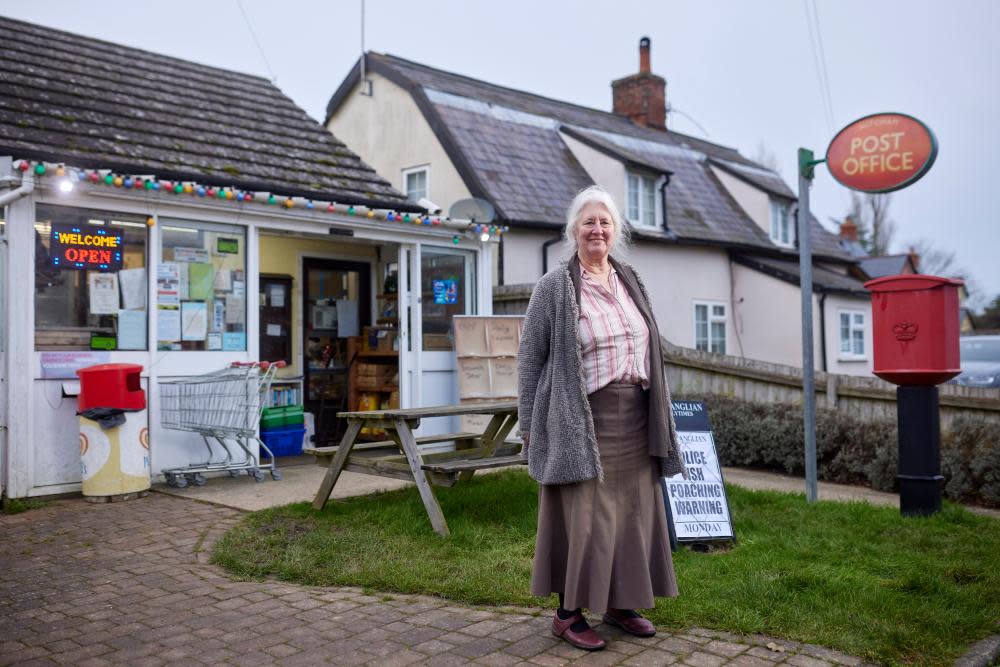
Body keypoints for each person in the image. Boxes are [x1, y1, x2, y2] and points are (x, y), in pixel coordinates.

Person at [517, 185, 685, 651]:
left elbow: (649, 342)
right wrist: (529, 425)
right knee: (586, 516)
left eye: (605, 222)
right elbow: (530, 358)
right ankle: (568, 613)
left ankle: (619, 601)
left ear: (615, 231)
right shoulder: (555, 287)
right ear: (574, 230)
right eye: (588, 222)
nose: (597, 229)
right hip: (582, 418)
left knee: (632, 512)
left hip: (636, 414)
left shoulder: (630, 277)